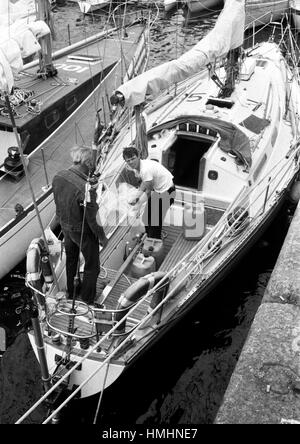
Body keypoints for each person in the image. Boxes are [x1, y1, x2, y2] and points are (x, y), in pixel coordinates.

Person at [52, 145, 108, 304]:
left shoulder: (58, 176)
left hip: (65, 227)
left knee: (72, 259)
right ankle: (88, 298)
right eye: (92, 163)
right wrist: (102, 237)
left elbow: (57, 202)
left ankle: (72, 291)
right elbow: (92, 218)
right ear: (88, 163)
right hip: (82, 231)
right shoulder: (86, 188)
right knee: (92, 266)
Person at [122, 146, 176, 239]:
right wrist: (137, 195)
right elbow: (145, 182)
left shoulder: (145, 169)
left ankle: (154, 243)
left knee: (155, 222)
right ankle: (149, 236)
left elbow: (148, 192)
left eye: (133, 159)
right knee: (146, 218)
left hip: (167, 193)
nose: (131, 162)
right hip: (157, 191)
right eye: (128, 160)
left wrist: (138, 204)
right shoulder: (138, 166)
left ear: (138, 156)